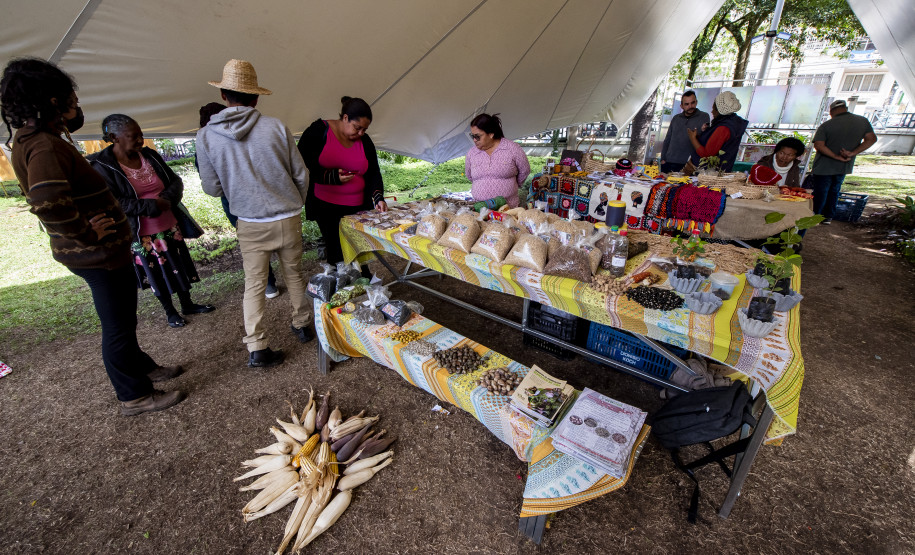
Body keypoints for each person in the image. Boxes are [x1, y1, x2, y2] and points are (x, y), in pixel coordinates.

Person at [1, 58, 184, 415]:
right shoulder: (43, 145)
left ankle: (142, 368)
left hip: (97, 252)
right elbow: (47, 202)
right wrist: (86, 233)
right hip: (96, 254)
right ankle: (134, 395)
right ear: (53, 101)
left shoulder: (33, 139)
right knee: (117, 324)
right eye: (72, 98)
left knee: (122, 318)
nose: (77, 106)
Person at [196, 59, 312, 368]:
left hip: (249, 222)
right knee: (295, 275)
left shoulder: (206, 136)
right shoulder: (275, 127)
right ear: (256, 96)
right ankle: (302, 325)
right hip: (286, 217)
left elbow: (211, 187)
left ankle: (257, 346)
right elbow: (301, 174)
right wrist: (294, 202)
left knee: (255, 284)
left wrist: (238, 191)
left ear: (223, 95)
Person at [90, 114, 215, 328]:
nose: (140, 140)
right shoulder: (102, 165)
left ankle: (187, 303)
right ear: (114, 137)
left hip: (168, 222)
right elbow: (113, 201)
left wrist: (166, 199)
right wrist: (150, 207)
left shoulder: (150, 155)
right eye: (134, 136)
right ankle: (170, 311)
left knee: (178, 264)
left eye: (141, 134)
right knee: (155, 270)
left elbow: (175, 180)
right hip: (140, 230)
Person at [198, 102, 280, 299]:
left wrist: (231, 191)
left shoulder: (206, 139)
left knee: (253, 247)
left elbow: (211, 184)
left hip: (237, 204)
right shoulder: (259, 129)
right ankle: (269, 283)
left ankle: (267, 283)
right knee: (279, 246)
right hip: (264, 198)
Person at [297, 96, 386, 267]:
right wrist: (331, 177)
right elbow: (301, 167)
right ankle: (341, 283)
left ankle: (363, 279)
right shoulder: (318, 131)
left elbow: (374, 172)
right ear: (345, 118)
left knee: (360, 248)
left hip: (358, 206)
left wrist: (378, 198)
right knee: (336, 250)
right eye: (357, 127)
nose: (360, 133)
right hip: (326, 206)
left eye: (364, 130)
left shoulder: (364, 141)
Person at [810, 99, 878, 224]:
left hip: (824, 166)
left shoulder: (827, 125)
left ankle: (815, 215)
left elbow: (819, 145)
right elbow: (871, 139)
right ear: (845, 108)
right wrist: (852, 153)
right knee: (835, 190)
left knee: (821, 191)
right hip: (843, 165)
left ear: (831, 111)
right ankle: (827, 217)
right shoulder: (862, 121)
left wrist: (835, 156)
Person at [464, 113, 530, 208]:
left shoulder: (512, 149)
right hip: (480, 209)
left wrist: (512, 185)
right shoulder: (472, 153)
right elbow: (469, 176)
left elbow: (525, 171)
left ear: (491, 134)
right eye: (472, 136)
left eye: (477, 136)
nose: (474, 140)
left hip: (508, 208)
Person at [687, 90, 749, 173]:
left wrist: (692, 138)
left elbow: (706, 154)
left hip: (706, 173)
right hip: (719, 171)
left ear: (720, 111)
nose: (712, 112)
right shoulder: (734, 121)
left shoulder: (724, 128)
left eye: (713, 109)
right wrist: (706, 133)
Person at [660, 91, 710, 174]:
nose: (690, 106)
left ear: (696, 102)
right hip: (669, 162)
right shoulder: (676, 118)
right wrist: (663, 159)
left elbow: (704, 139)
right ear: (681, 106)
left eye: (692, 103)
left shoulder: (704, 116)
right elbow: (667, 139)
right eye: (686, 104)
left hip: (689, 164)